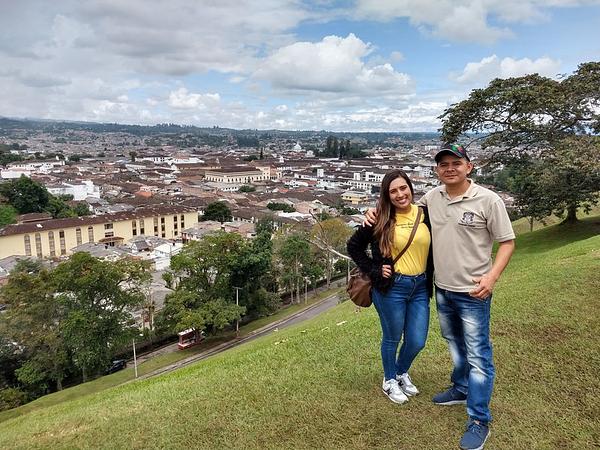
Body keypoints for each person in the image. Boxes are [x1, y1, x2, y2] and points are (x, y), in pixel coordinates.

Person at [364, 144, 515, 450]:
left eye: (455, 163)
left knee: (478, 355)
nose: (449, 168)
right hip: (442, 289)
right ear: (436, 171)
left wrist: (492, 277)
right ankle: (460, 388)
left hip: (474, 291)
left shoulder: (488, 200)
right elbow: (400, 207)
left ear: (468, 167)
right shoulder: (432, 199)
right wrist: (373, 210)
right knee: (455, 345)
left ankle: (478, 420)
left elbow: (507, 242)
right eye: (443, 164)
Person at [347, 170, 434, 405]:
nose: (399, 194)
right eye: (393, 191)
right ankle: (389, 380)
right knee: (392, 337)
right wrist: (375, 270)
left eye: (403, 188)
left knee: (417, 340)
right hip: (391, 288)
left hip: (420, 286)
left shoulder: (425, 215)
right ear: (386, 195)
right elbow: (354, 246)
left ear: (410, 188)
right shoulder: (380, 218)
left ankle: (400, 372)